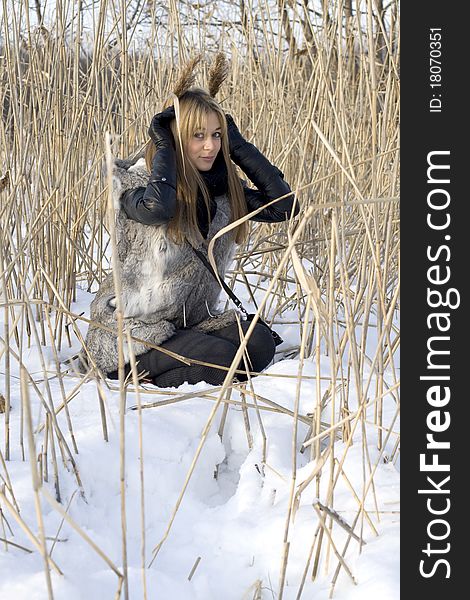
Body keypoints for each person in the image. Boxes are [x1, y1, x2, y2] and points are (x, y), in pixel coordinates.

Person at [83, 78, 298, 388]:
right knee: (222, 359)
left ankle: (190, 366)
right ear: (176, 140)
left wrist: (237, 145)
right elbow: (158, 208)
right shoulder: (134, 186)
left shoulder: (223, 191)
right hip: (132, 331)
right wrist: (163, 142)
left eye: (216, 135)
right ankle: (135, 373)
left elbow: (283, 206)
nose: (210, 146)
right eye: (198, 136)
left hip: (189, 324)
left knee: (259, 342)